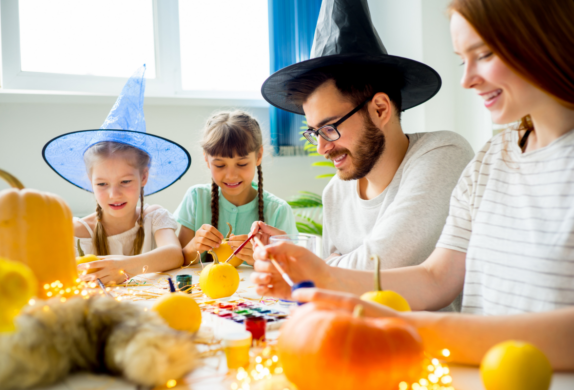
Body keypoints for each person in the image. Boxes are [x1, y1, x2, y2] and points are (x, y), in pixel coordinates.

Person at [252, 0, 574, 369]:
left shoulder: (447, 153)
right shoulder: (492, 158)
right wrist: (323, 275)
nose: (466, 79)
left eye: (484, 55)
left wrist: (401, 325)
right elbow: (437, 277)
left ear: (544, 40)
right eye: (461, 60)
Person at [256, 0, 474, 274]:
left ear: (380, 109)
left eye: (330, 127)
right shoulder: (335, 192)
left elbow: (374, 266)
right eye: (314, 132)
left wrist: (328, 264)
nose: (322, 148)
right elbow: (335, 282)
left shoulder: (443, 153)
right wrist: (312, 259)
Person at [43, 66, 190, 285]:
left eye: (125, 181)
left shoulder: (155, 218)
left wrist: (125, 267)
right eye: (102, 183)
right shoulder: (81, 230)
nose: (114, 193)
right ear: (90, 182)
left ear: (144, 177)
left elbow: (174, 254)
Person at [174, 111, 298, 266]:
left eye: (242, 164)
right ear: (207, 159)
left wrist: (262, 260)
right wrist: (194, 246)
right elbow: (178, 262)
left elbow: (292, 269)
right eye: (220, 165)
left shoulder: (278, 211)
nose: (231, 176)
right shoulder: (196, 198)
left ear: (258, 156)